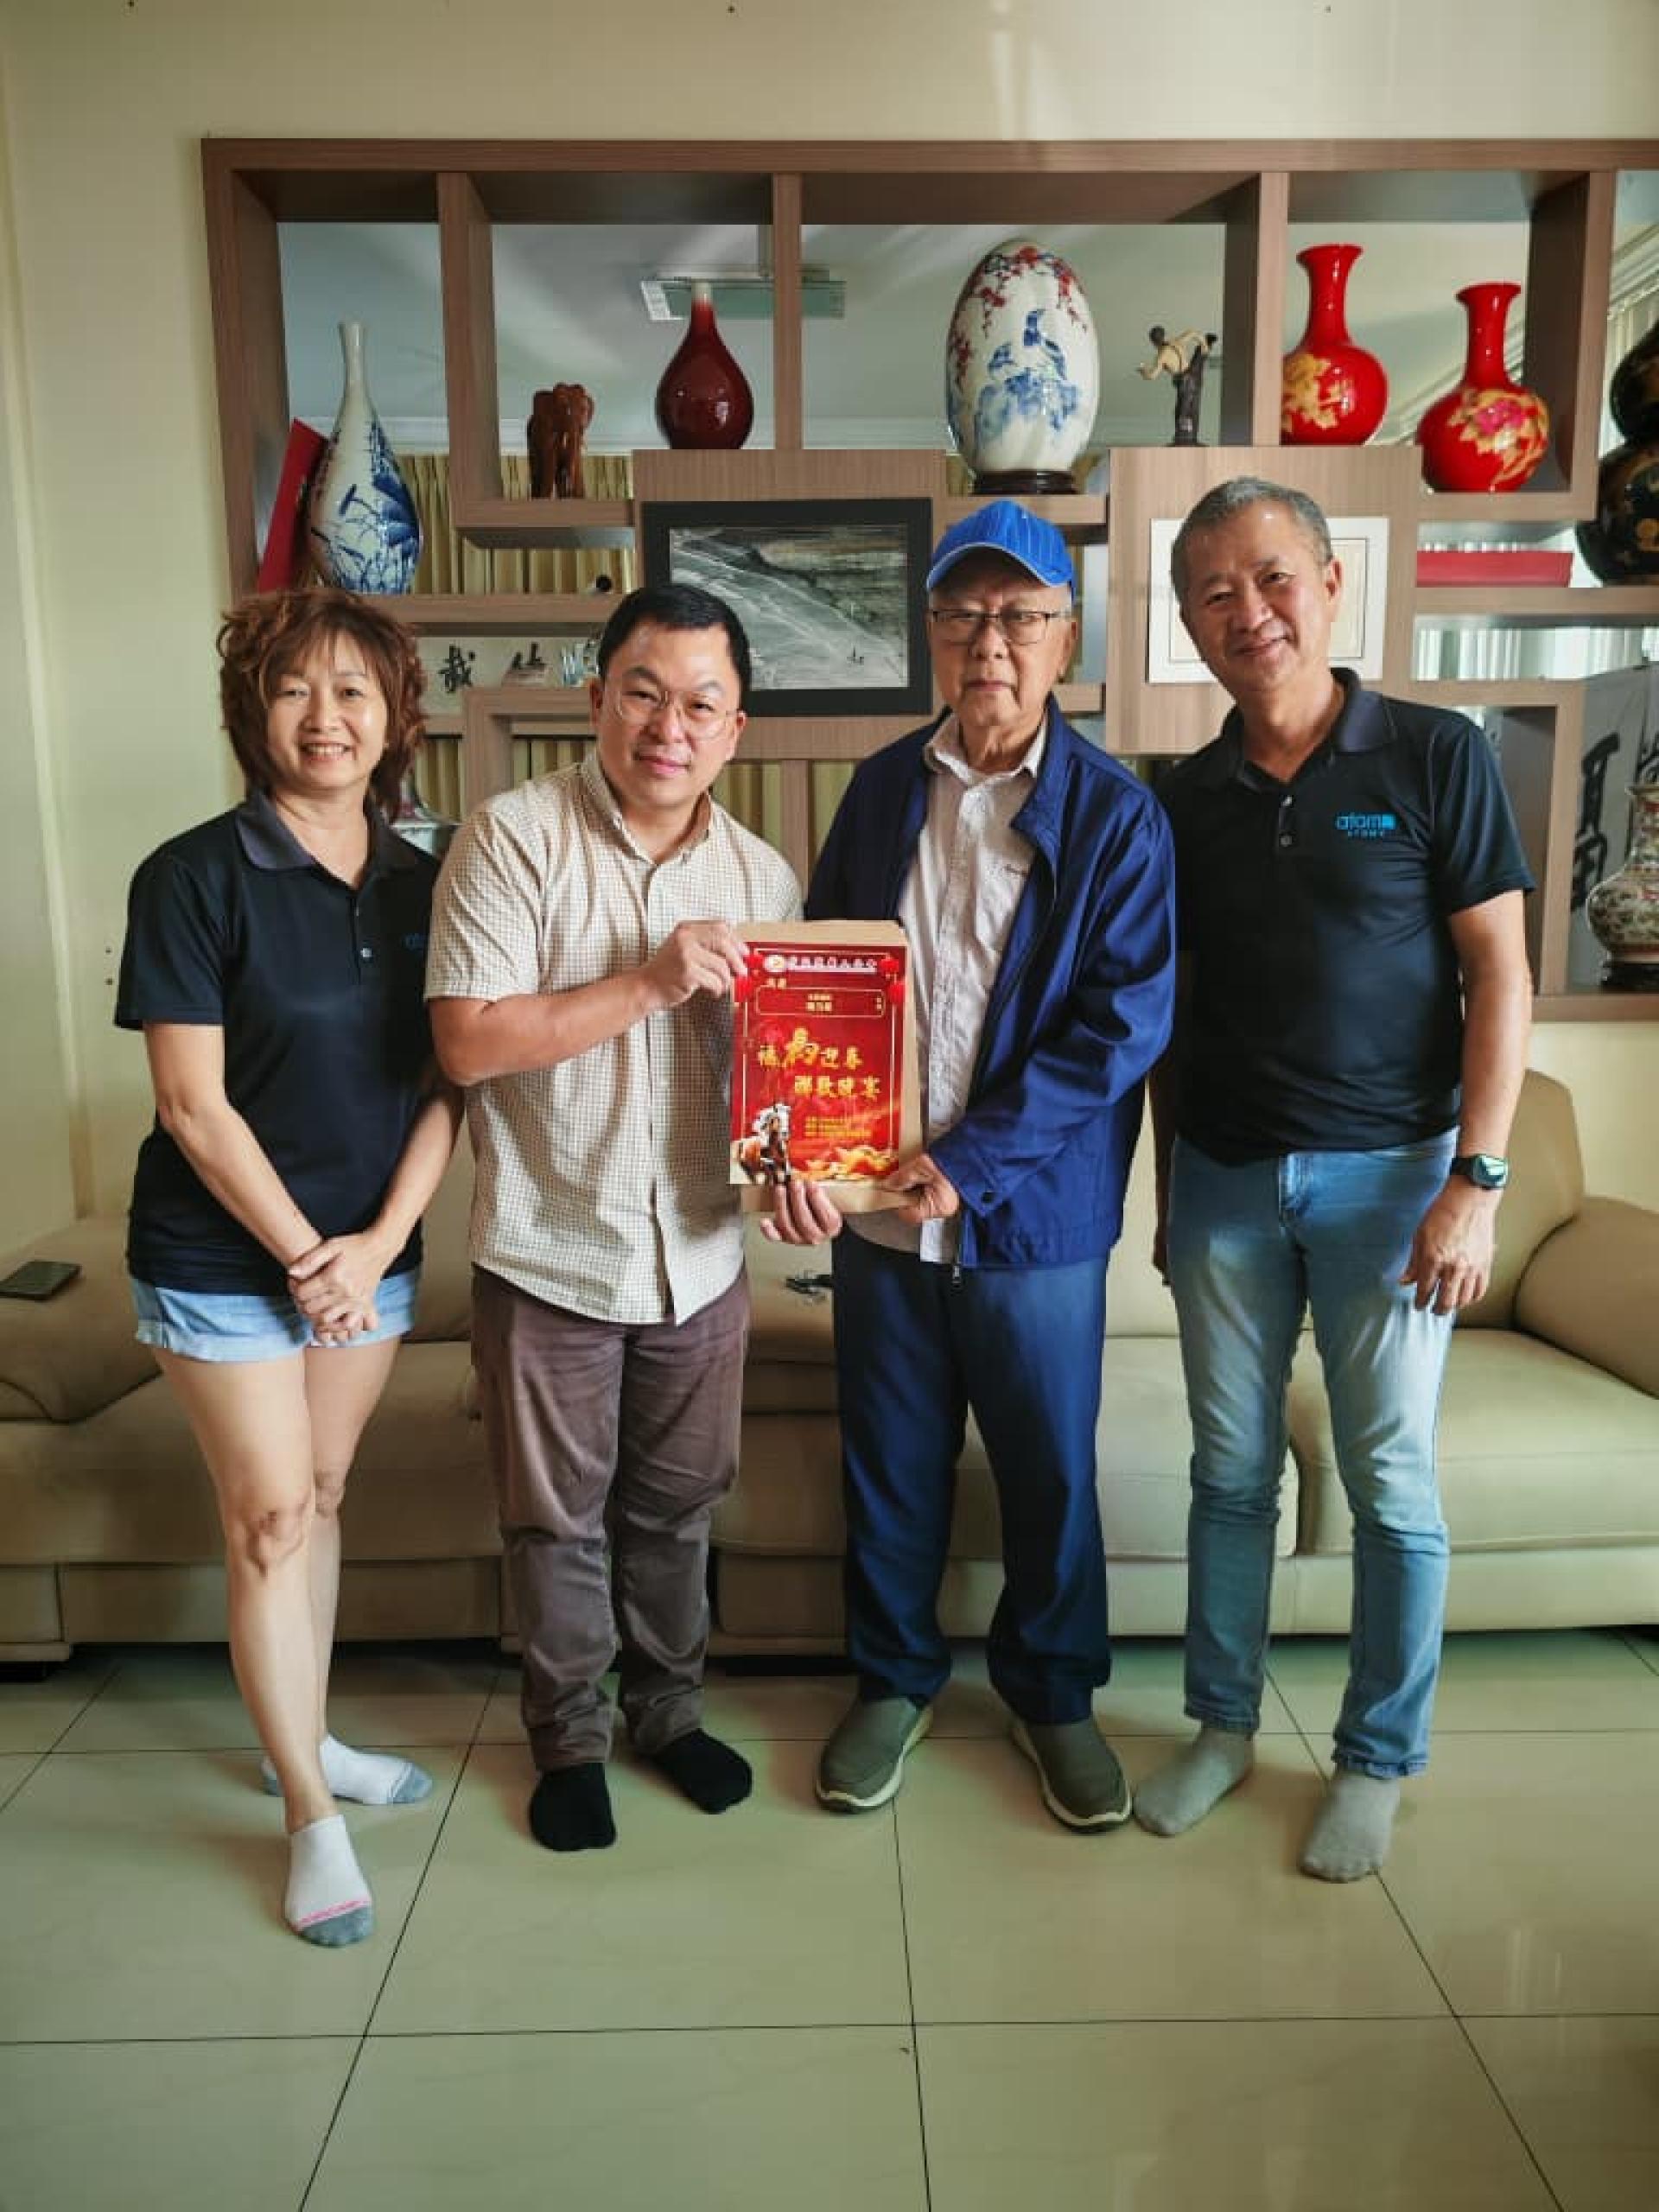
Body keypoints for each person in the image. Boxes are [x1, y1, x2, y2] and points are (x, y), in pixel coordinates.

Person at [1135, 477, 1535, 1879]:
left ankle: (1376, 1756)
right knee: (1230, 1474)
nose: (1249, 612)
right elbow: (1171, 1014)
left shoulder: (1435, 754)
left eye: (1273, 578)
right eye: (1215, 593)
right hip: (1227, 1180)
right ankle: (1222, 1727)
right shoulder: (1182, 798)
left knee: (1391, 1484)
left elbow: (1500, 975)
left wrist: (1477, 1182)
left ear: (1331, 582)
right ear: (1191, 626)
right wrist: (1173, 1194)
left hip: (1395, 1184)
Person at [766, 500, 1176, 1830]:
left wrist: (971, 1159)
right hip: (881, 1217)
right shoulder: (883, 788)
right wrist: (809, 1149)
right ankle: (893, 1680)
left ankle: (1054, 1697)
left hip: (1032, 1217)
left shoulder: (1116, 815)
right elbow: (824, 978)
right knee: (890, 1463)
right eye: (962, 615)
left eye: (1019, 616)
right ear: (932, 634)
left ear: (1066, 636)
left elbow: (1122, 1024)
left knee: (1048, 1472)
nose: (989, 643)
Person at [426, 583, 799, 1854]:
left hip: (699, 1257)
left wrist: (797, 1172)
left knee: (678, 1511)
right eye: (643, 693)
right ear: (596, 698)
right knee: (554, 1522)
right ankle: (570, 1741)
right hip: (551, 1254)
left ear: (736, 727)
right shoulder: (511, 839)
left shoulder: (763, 877)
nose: (667, 727)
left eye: (700, 704)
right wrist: (646, 981)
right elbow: (469, 1042)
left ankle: (669, 1714)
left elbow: (776, 1090)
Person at [116, 588, 462, 1948]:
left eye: (353, 692)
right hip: (220, 1258)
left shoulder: (429, 883)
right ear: (252, 713)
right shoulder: (191, 876)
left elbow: (451, 1085)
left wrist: (372, 1248)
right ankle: (310, 1813)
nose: (326, 718)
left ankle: (300, 1737)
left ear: (394, 719)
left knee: (319, 1495)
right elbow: (191, 1107)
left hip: (369, 1255)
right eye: (294, 689)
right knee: (267, 1516)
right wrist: (311, 1257)